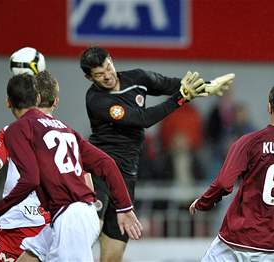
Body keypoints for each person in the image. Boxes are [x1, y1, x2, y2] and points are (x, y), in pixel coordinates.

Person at [79, 46, 234, 261]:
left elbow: (171, 84)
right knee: (84, 236)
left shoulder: (138, 77)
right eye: (99, 74)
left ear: (112, 60)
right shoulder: (97, 100)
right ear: (89, 78)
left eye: (108, 67)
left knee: (113, 255)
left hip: (126, 176)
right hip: (100, 172)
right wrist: (181, 98)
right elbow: (143, 119)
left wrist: (208, 87)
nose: (107, 75)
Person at [0, 73, 142, 262]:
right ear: (37, 99)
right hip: (75, 214)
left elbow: (30, 179)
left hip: (70, 219)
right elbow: (107, 163)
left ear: (8, 103)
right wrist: (124, 207)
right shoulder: (64, 128)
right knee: (27, 259)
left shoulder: (16, 129)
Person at [189, 82, 274, 261]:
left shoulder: (249, 141)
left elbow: (224, 182)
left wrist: (204, 202)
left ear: (269, 107)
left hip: (235, 242)